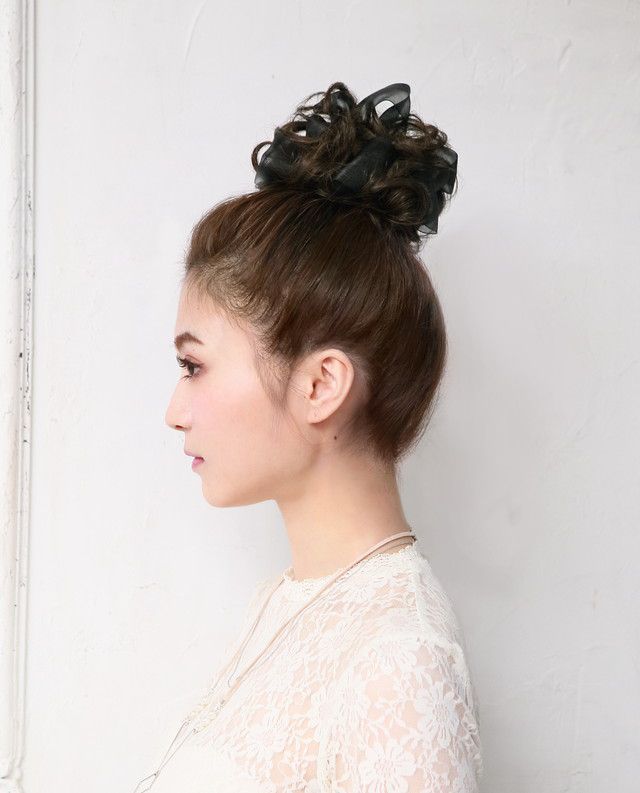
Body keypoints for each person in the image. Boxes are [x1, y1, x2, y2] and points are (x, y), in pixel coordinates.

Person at [136, 81, 483, 792]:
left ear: (321, 384)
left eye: (194, 366)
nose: (174, 410)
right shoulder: (290, 602)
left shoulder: (399, 660)